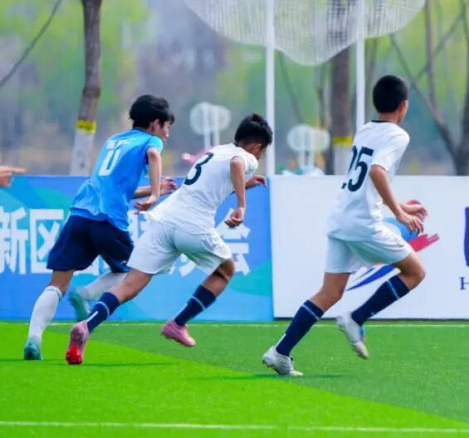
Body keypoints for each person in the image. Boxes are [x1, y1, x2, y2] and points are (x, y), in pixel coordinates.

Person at [65, 114, 273, 365]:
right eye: (261, 153)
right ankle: (178, 323)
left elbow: (212, 184)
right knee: (225, 271)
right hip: (193, 224)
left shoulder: (217, 151)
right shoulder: (245, 157)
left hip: (164, 219)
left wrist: (246, 185)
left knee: (129, 285)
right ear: (256, 147)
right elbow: (237, 164)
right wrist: (241, 205)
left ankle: (87, 325)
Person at [263, 75, 427, 376]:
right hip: (364, 224)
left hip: (342, 218)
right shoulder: (398, 136)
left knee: (330, 292)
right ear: (403, 106)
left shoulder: (365, 130)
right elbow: (376, 172)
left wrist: (400, 206)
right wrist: (399, 214)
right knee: (415, 272)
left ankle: (280, 352)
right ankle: (357, 318)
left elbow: (365, 182)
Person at [23, 95, 175, 360]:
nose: (167, 134)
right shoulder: (151, 141)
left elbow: (115, 188)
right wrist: (154, 194)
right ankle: (86, 294)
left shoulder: (113, 141)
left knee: (57, 284)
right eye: (166, 127)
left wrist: (153, 189)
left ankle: (33, 340)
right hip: (108, 219)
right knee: (134, 273)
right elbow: (153, 155)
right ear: (154, 123)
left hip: (80, 213)